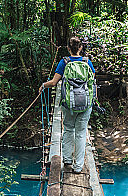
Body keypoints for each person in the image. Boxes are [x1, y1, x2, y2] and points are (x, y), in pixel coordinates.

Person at [40, 37, 96, 173]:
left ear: (68, 48)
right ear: (81, 48)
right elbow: (92, 81)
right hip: (85, 103)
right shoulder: (87, 62)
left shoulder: (64, 62)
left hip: (69, 103)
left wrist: (43, 85)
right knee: (81, 134)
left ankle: (68, 160)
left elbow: (53, 82)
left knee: (69, 130)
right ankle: (78, 167)